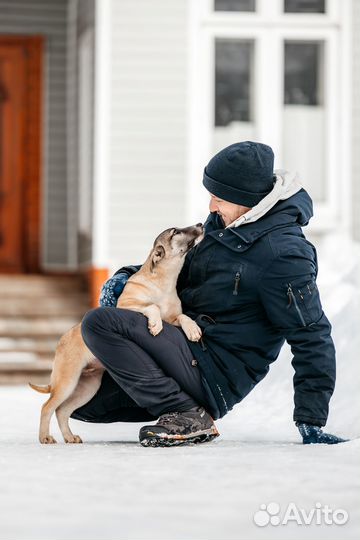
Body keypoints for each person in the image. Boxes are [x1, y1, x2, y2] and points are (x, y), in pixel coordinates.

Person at [71, 141, 347, 446]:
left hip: (215, 370)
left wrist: (311, 418)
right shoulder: (224, 225)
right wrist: (125, 279)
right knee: (81, 399)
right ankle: (179, 407)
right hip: (184, 343)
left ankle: (189, 415)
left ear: (247, 200)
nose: (211, 207)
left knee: (100, 323)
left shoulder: (283, 255)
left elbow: (312, 335)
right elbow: (176, 270)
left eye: (218, 198)